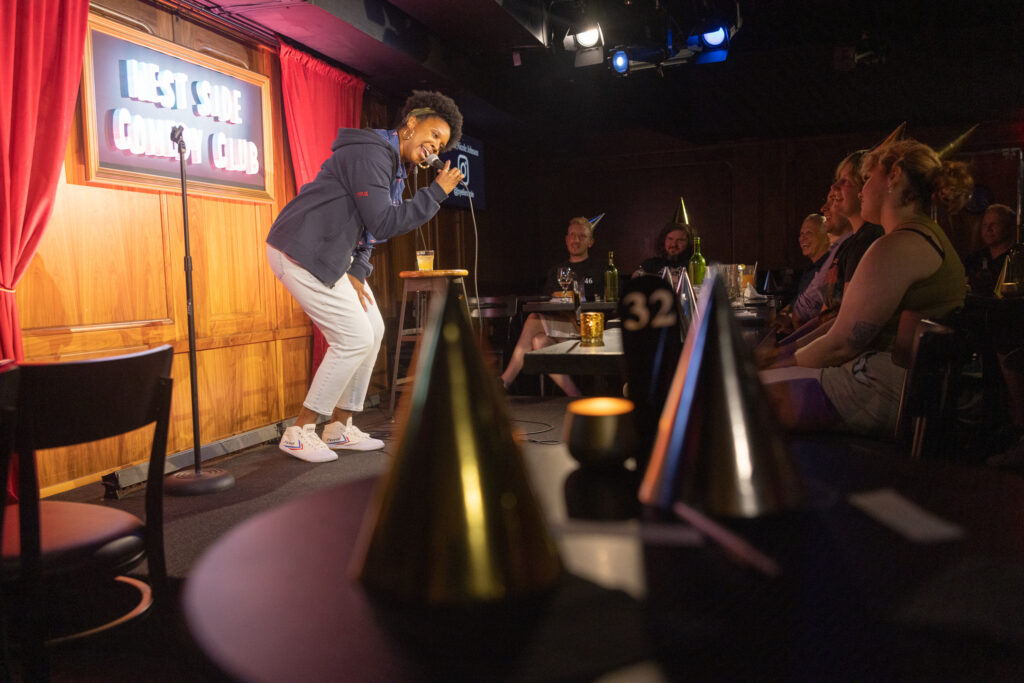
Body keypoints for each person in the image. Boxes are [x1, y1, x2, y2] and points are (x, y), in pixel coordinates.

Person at [266, 91, 464, 462]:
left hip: (333, 254)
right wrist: (436, 193)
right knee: (354, 336)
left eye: (441, 142)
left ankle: (340, 426)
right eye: (433, 134)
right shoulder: (371, 152)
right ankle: (299, 430)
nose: (435, 146)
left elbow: (373, 232)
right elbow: (383, 219)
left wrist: (358, 271)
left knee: (372, 329)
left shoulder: (395, 168)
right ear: (410, 124)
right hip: (301, 248)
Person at [760, 138, 972, 437]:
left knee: (731, 400)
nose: (862, 189)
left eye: (869, 178)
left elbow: (842, 345)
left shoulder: (897, 245)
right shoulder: (923, 235)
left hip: (883, 389)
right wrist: (777, 361)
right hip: (900, 385)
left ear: (893, 177)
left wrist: (771, 365)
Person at [499, 217, 605, 396]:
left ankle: (504, 381)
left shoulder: (600, 268)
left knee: (533, 321)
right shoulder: (557, 270)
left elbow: (603, 302)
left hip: (587, 329)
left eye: (581, 236)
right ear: (566, 240)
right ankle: (575, 396)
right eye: (572, 235)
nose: (576, 240)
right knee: (538, 341)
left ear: (591, 241)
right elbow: (548, 303)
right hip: (562, 328)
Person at [964, 203, 1017, 296]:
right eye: (985, 224)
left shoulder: (1017, 259)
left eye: (995, 224)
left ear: (1009, 227)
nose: (988, 229)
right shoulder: (974, 259)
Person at [792, 213, 831, 300]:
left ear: (826, 238)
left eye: (809, 233)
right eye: (801, 233)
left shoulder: (829, 268)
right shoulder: (809, 269)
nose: (802, 238)